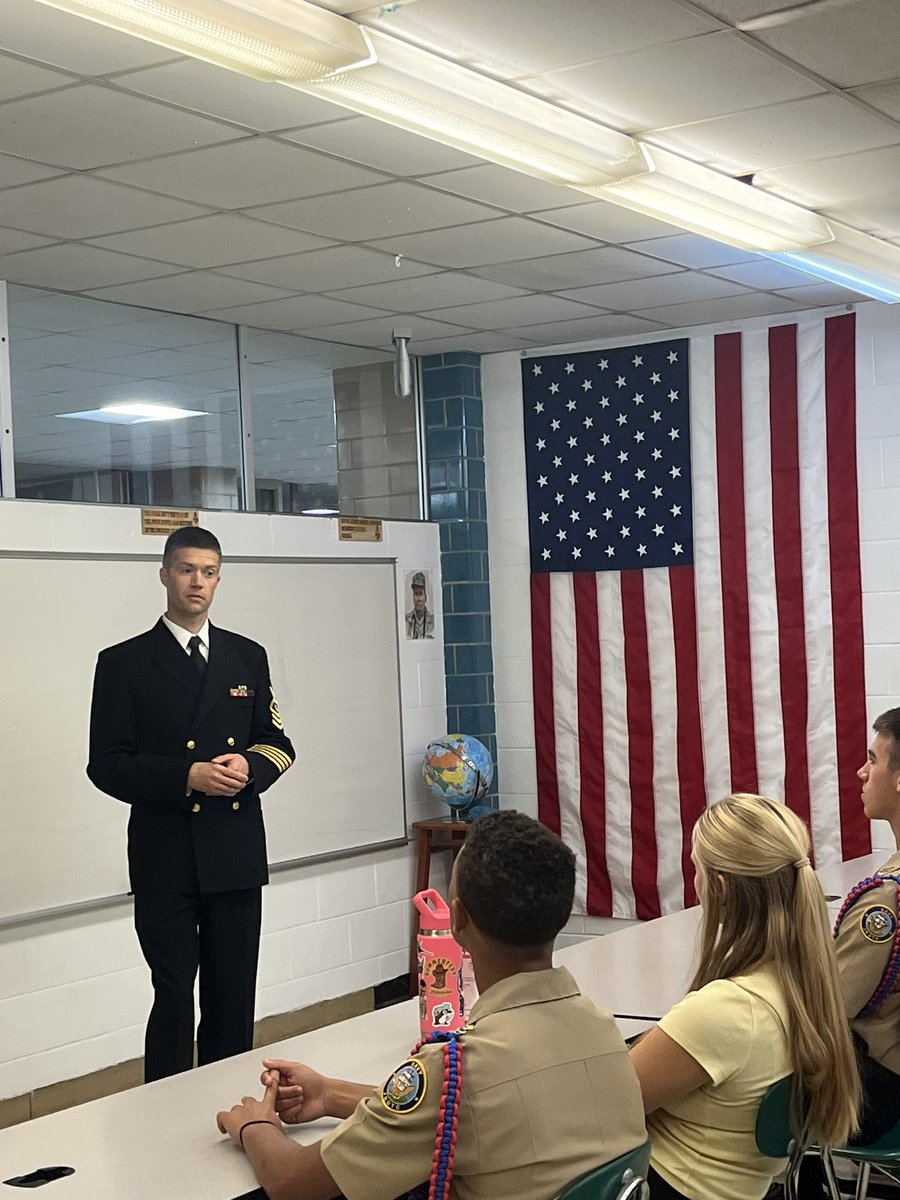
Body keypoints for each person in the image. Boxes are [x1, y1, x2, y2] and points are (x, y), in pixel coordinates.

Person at [216, 810, 647, 1200]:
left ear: (456, 921)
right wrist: (331, 1095)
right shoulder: (601, 1028)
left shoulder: (458, 1068)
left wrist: (255, 1126)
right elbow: (467, 1117)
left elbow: (292, 1182)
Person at [87, 525, 295, 1083]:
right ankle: (165, 1114)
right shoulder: (124, 663)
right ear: (164, 575)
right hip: (166, 858)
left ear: (219, 580)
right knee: (175, 994)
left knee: (232, 997)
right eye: (186, 570)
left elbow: (279, 745)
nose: (196, 582)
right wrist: (188, 776)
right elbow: (106, 765)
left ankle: (232, 1106)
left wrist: (248, 767)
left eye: (208, 572)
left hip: (234, 855)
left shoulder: (247, 657)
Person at [628, 793, 859, 1200]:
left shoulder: (726, 1010)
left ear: (718, 887)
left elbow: (603, 1105)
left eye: (696, 868)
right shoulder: (798, 988)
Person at [833, 709, 900, 1140]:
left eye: (873, 760)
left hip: (878, 1093)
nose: (862, 772)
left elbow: (829, 1009)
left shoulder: (886, 901)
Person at [405, 571, 434, 640]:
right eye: (416, 594)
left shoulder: (433, 621)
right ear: (413, 597)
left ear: (425, 597)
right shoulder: (406, 620)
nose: (419, 599)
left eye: (421, 594)